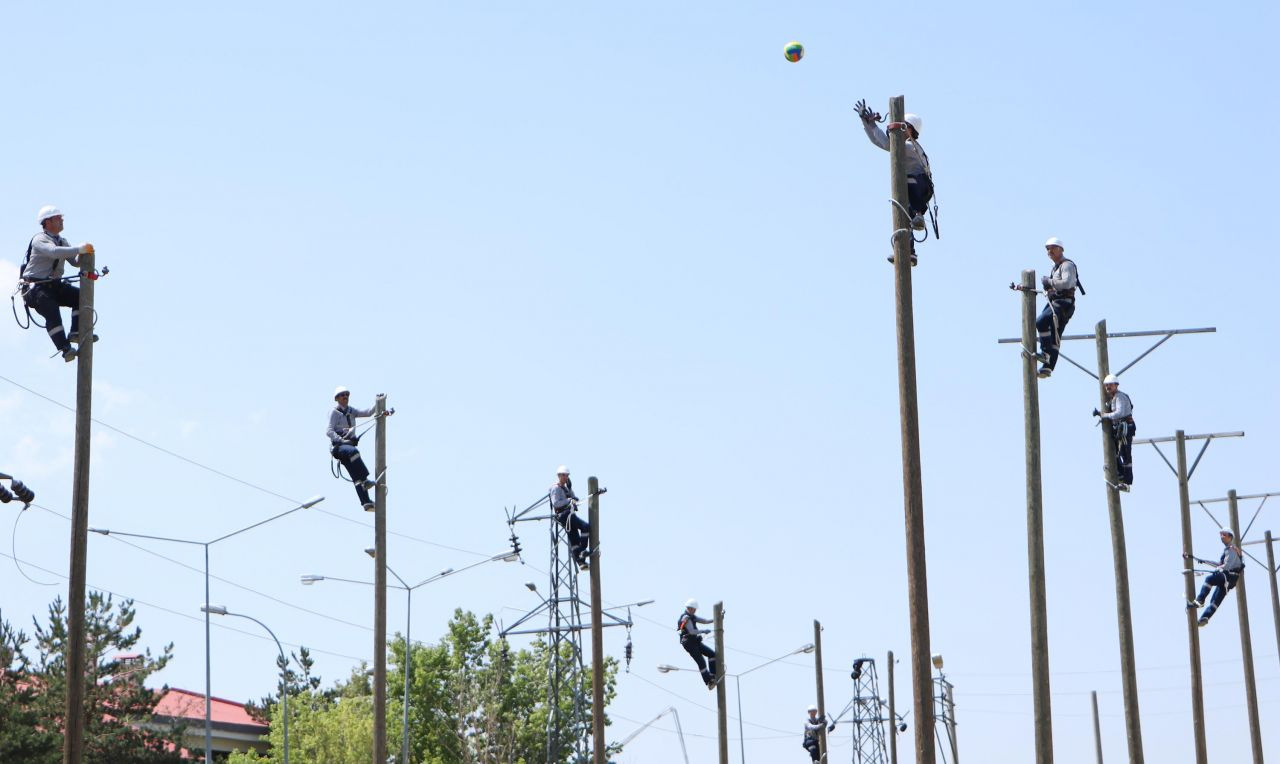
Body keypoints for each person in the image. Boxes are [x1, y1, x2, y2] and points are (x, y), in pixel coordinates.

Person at [20, 205, 95, 362]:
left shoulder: (62, 241)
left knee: (80, 297)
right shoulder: (39, 239)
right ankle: (65, 348)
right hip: (36, 287)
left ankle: (76, 332)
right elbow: (54, 252)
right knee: (52, 312)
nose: (61, 220)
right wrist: (79, 249)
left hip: (53, 286)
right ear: (47, 222)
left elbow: (74, 262)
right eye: (57, 218)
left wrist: (84, 255)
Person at [855, 100, 933, 232]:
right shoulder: (905, 146)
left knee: (905, 183)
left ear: (910, 130)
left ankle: (919, 215)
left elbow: (887, 144)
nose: (898, 131)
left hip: (920, 185)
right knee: (905, 213)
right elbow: (877, 141)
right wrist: (865, 122)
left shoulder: (910, 146)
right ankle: (909, 247)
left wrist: (873, 124)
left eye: (903, 127)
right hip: (917, 187)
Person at [326, 386, 387, 511]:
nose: (345, 397)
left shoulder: (351, 411)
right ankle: (365, 480)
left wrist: (379, 402)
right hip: (339, 448)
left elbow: (368, 412)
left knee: (356, 477)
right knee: (354, 453)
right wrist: (341, 439)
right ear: (337, 398)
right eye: (342, 395)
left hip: (347, 447)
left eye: (347, 394)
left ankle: (366, 502)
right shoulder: (335, 412)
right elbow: (329, 431)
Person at [1035, 237, 1082, 378]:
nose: (1050, 251)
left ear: (1061, 249)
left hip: (1063, 303)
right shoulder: (1055, 267)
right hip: (1059, 302)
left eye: (1053, 248)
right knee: (1055, 335)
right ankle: (1048, 367)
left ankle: (1045, 354)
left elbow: (1067, 283)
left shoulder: (1067, 265)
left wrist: (1049, 281)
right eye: (1047, 249)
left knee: (1041, 322)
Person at [1185, 528, 1244, 627]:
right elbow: (1220, 564)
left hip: (1228, 576)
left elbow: (1227, 565)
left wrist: (1219, 569)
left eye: (1224, 534)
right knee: (1216, 599)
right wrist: (1204, 561)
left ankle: (1200, 600)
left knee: (1209, 579)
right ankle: (1205, 617)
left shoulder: (1232, 549)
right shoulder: (1229, 550)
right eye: (1221, 534)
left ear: (1230, 537)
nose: (1221, 537)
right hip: (1229, 580)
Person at [1093, 374, 1135, 491]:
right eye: (1106, 385)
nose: (1108, 387)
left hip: (1126, 428)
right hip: (1119, 429)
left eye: (1110, 385)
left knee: (1125, 455)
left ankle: (1127, 483)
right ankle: (1121, 475)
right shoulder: (1113, 398)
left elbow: (1119, 413)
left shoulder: (1120, 397)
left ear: (1116, 385)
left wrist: (1104, 415)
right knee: (1116, 453)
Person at [551, 466, 590, 569]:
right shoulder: (555, 488)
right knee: (585, 526)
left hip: (570, 514)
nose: (565, 477)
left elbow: (572, 498)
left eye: (567, 475)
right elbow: (556, 503)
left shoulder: (566, 488)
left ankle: (581, 562)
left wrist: (570, 489)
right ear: (559, 476)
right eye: (563, 475)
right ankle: (582, 551)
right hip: (564, 515)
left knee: (575, 539)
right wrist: (569, 500)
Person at [677, 599, 717, 690]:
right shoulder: (686, 618)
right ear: (689, 608)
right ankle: (709, 682)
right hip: (689, 643)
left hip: (695, 641)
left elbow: (705, 621)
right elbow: (691, 631)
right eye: (694, 609)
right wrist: (703, 631)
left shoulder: (692, 616)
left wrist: (717, 618)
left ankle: (713, 675)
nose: (695, 611)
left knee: (712, 654)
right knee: (701, 661)